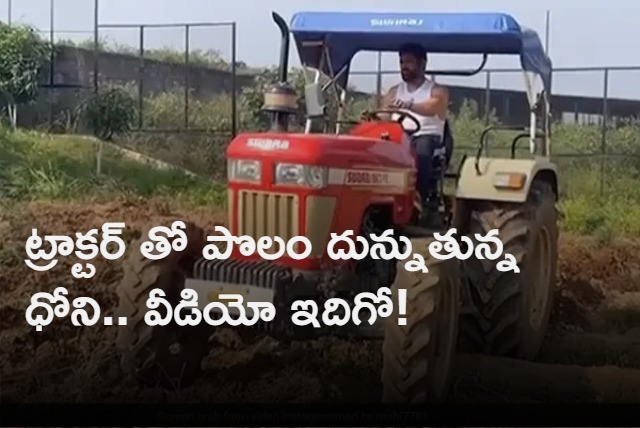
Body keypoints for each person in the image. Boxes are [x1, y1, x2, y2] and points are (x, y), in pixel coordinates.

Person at [380, 43, 450, 211]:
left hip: (427, 137)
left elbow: (432, 107)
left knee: (420, 149)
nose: (404, 66)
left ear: (422, 64)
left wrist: (408, 106)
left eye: (409, 62)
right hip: (398, 136)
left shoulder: (437, 91)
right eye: (402, 62)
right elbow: (383, 113)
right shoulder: (394, 91)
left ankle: (418, 197)